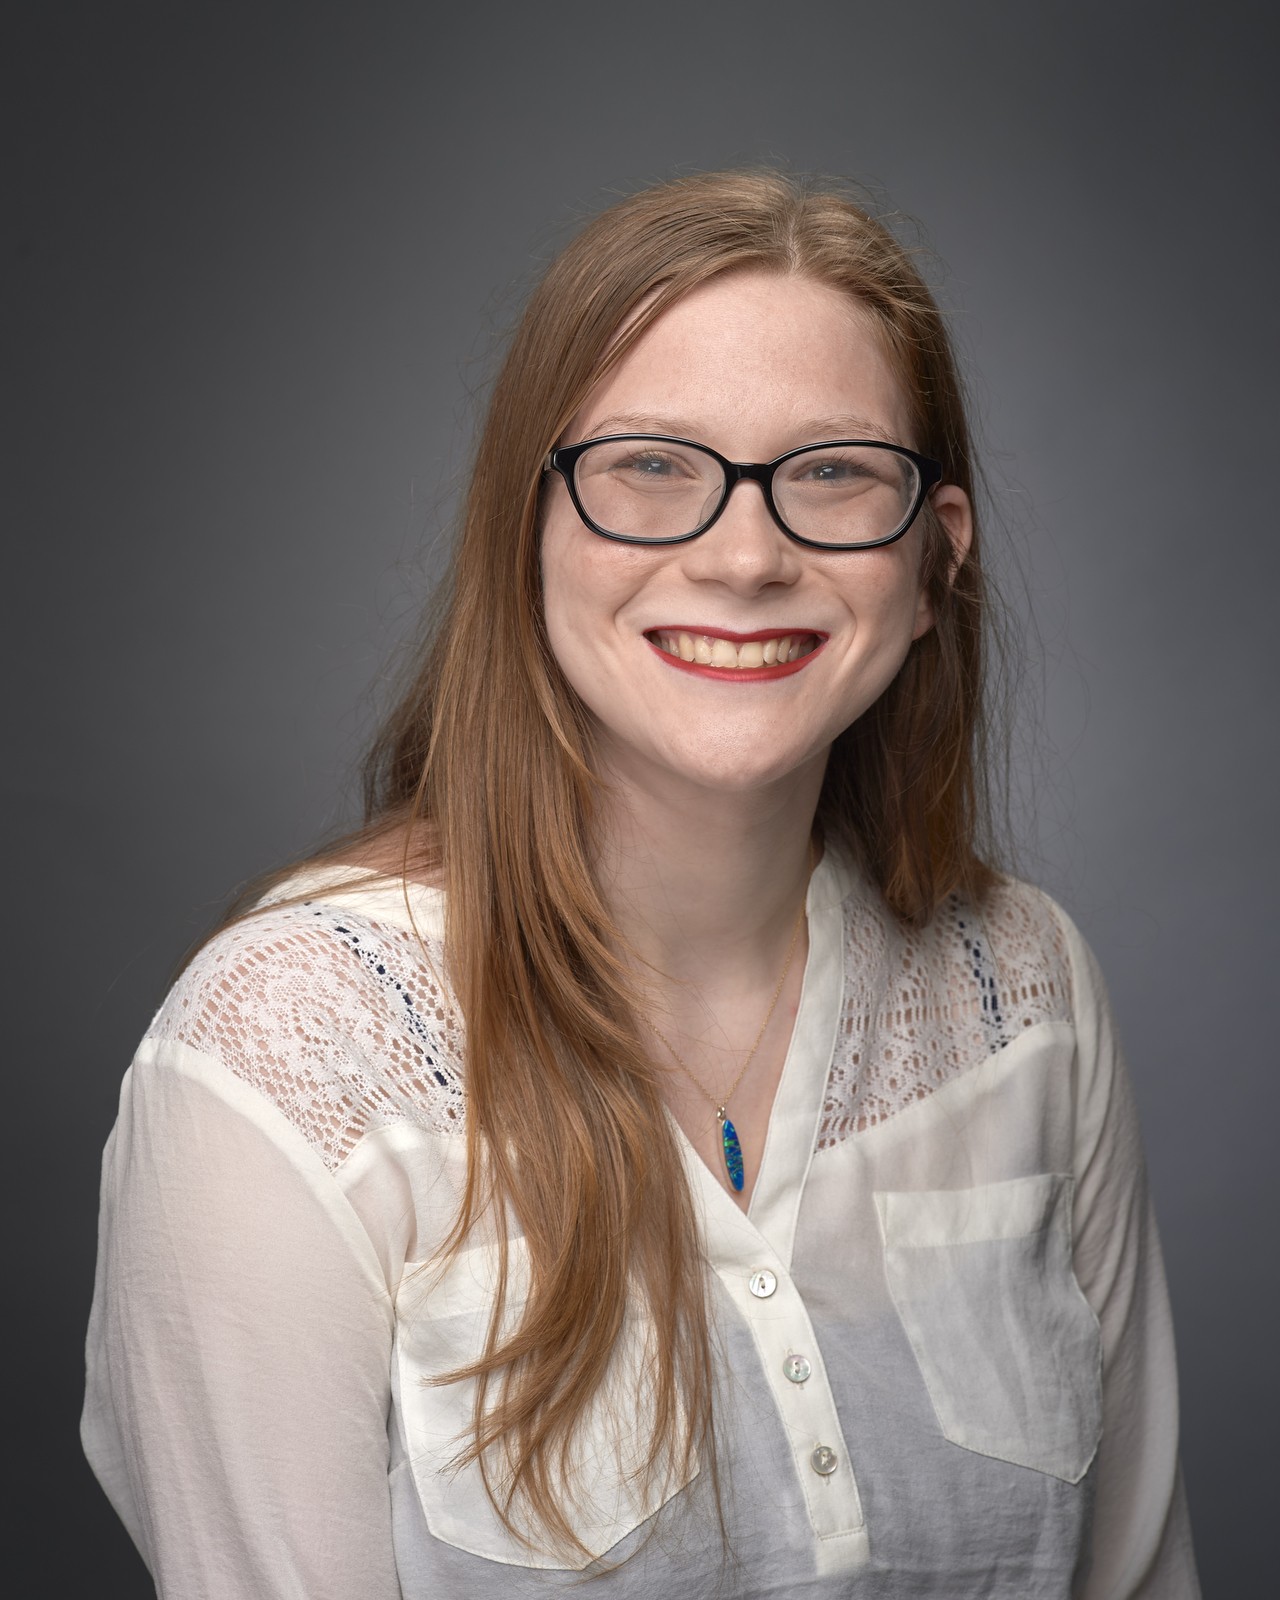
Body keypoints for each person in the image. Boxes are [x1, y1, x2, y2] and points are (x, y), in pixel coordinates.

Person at [81, 170, 1200, 1597]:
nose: (745, 555)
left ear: (935, 564)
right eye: (652, 467)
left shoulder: (1024, 990)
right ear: (526, 530)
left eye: (835, 472)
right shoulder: (287, 1058)